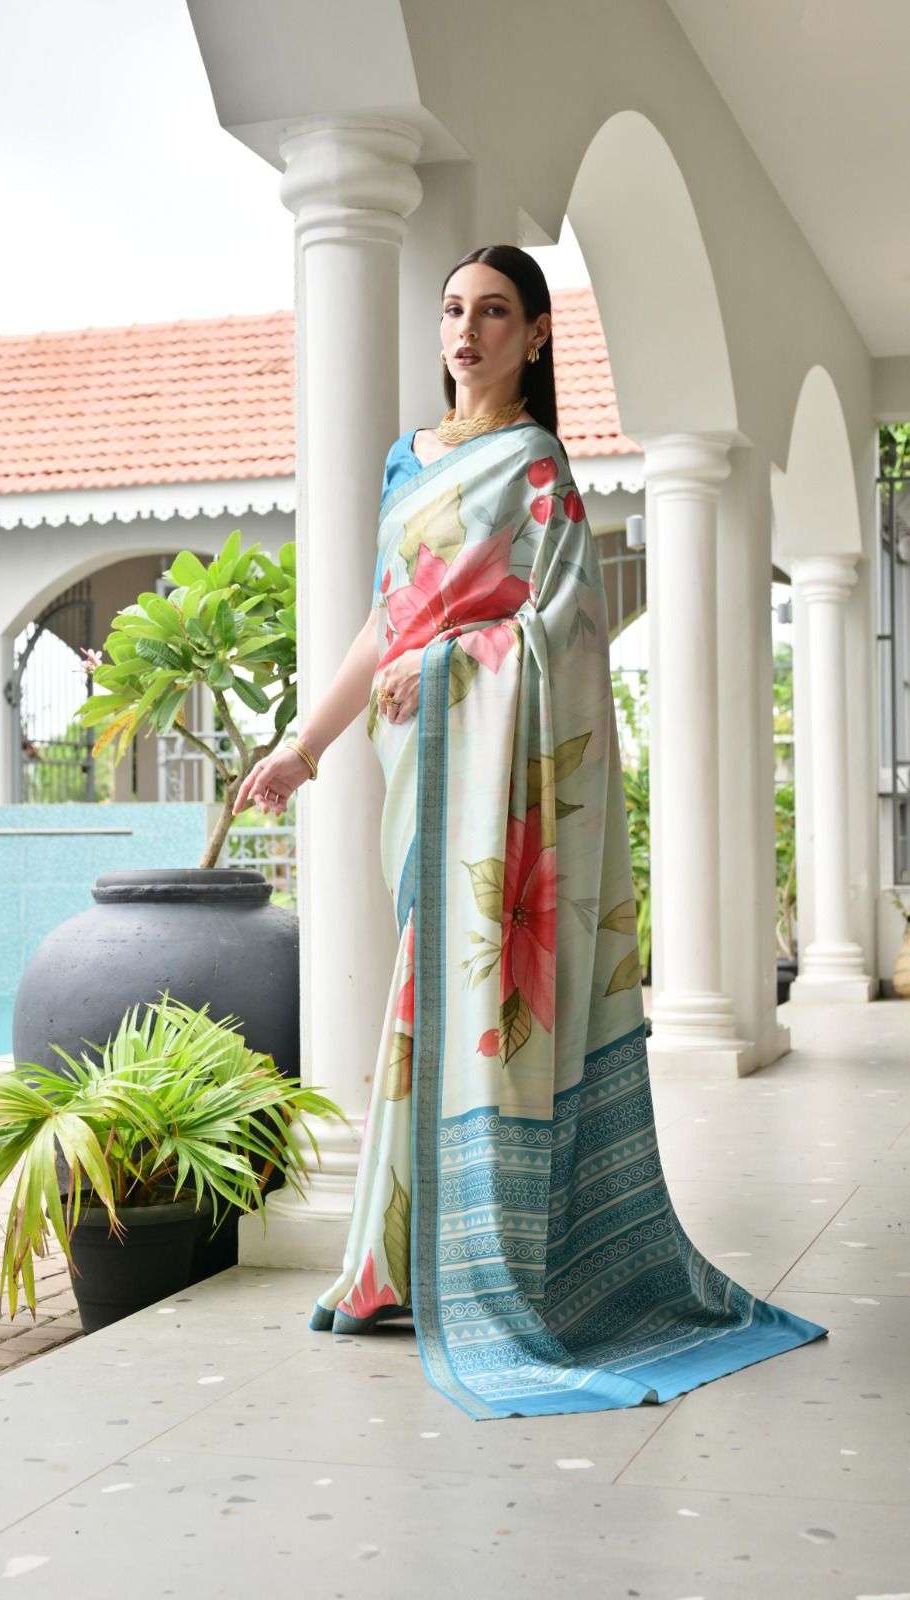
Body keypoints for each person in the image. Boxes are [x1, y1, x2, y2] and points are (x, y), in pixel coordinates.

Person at [232, 244, 828, 1420]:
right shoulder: (407, 460)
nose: (466, 331)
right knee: (429, 992)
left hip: (492, 774)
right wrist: (305, 746)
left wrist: (452, 666)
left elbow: (567, 628)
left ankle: (482, 1260)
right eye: (454, 309)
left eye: (494, 312)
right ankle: (396, 1261)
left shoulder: (536, 466)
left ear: (536, 334)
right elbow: (383, 623)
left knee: (475, 994)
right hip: (424, 767)